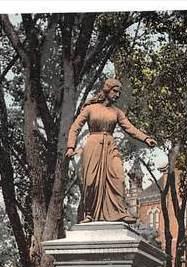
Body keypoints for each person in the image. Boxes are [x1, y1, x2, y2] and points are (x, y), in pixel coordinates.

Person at [65, 78, 156, 223]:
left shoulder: (117, 112)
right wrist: (70, 147)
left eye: (119, 92)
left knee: (118, 177)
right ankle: (89, 214)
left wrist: (145, 138)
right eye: (115, 91)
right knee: (91, 183)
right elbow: (75, 127)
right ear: (107, 90)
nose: (117, 95)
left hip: (110, 147)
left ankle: (120, 212)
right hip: (93, 146)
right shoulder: (90, 109)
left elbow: (130, 128)